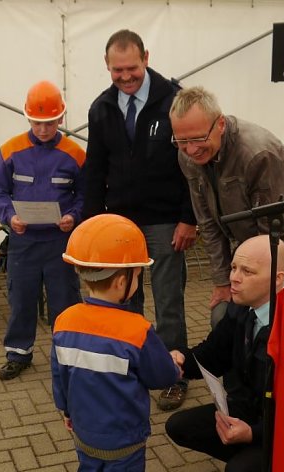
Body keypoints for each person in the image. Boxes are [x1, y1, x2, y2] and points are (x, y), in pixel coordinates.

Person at [52, 214, 182, 472]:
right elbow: (159, 377)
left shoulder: (64, 321)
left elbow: (59, 375)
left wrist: (66, 410)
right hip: (124, 439)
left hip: (85, 433)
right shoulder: (136, 330)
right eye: (138, 275)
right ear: (123, 280)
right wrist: (174, 364)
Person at [84, 29, 197, 411]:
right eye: (117, 70)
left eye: (131, 68)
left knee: (168, 302)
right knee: (124, 299)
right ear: (107, 65)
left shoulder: (174, 101)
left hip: (166, 222)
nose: (125, 77)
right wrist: (91, 225)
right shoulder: (101, 108)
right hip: (119, 225)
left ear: (145, 58)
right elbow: (95, 170)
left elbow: (191, 168)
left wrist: (188, 218)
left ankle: (172, 372)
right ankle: (130, 365)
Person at [169, 86, 284, 322]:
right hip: (253, 240)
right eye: (181, 141)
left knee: (275, 315)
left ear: (220, 125)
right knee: (229, 316)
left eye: (198, 138)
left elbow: (279, 229)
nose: (191, 149)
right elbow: (208, 223)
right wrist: (223, 281)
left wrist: (257, 285)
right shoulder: (188, 157)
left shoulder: (257, 153)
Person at [166, 234, 284, 472]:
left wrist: (253, 433)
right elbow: (212, 354)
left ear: (277, 279)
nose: (234, 277)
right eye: (233, 267)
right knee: (179, 425)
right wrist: (178, 360)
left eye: (247, 271)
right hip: (249, 408)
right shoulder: (241, 307)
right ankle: (254, 457)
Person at [0, 80, 85, 380]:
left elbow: (84, 196)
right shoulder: (10, 151)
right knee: (21, 300)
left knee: (65, 302)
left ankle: (67, 356)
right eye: (38, 122)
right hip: (23, 242)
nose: (43, 129)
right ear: (28, 117)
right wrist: (9, 216)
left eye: (50, 122)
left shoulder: (76, 154)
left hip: (60, 243)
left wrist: (73, 216)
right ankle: (18, 354)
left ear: (61, 118)